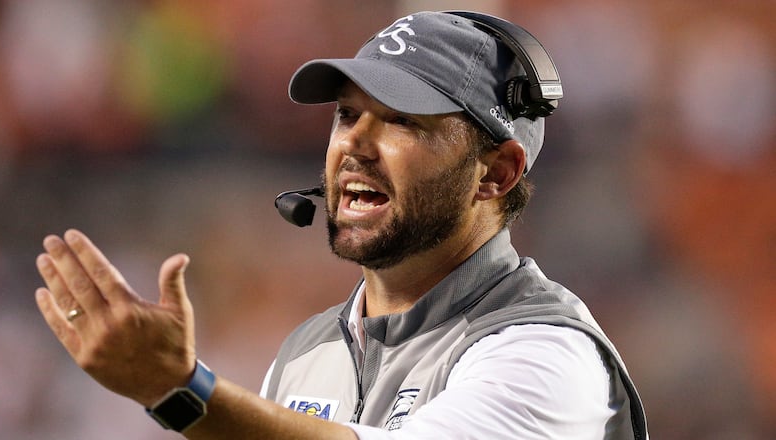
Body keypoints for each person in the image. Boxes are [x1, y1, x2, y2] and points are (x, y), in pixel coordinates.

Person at [34, 10, 648, 440]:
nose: (353, 142)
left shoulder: (546, 350)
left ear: (496, 174)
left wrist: (182, 392)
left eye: (402, 121)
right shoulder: (306, 353)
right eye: (347, 114)